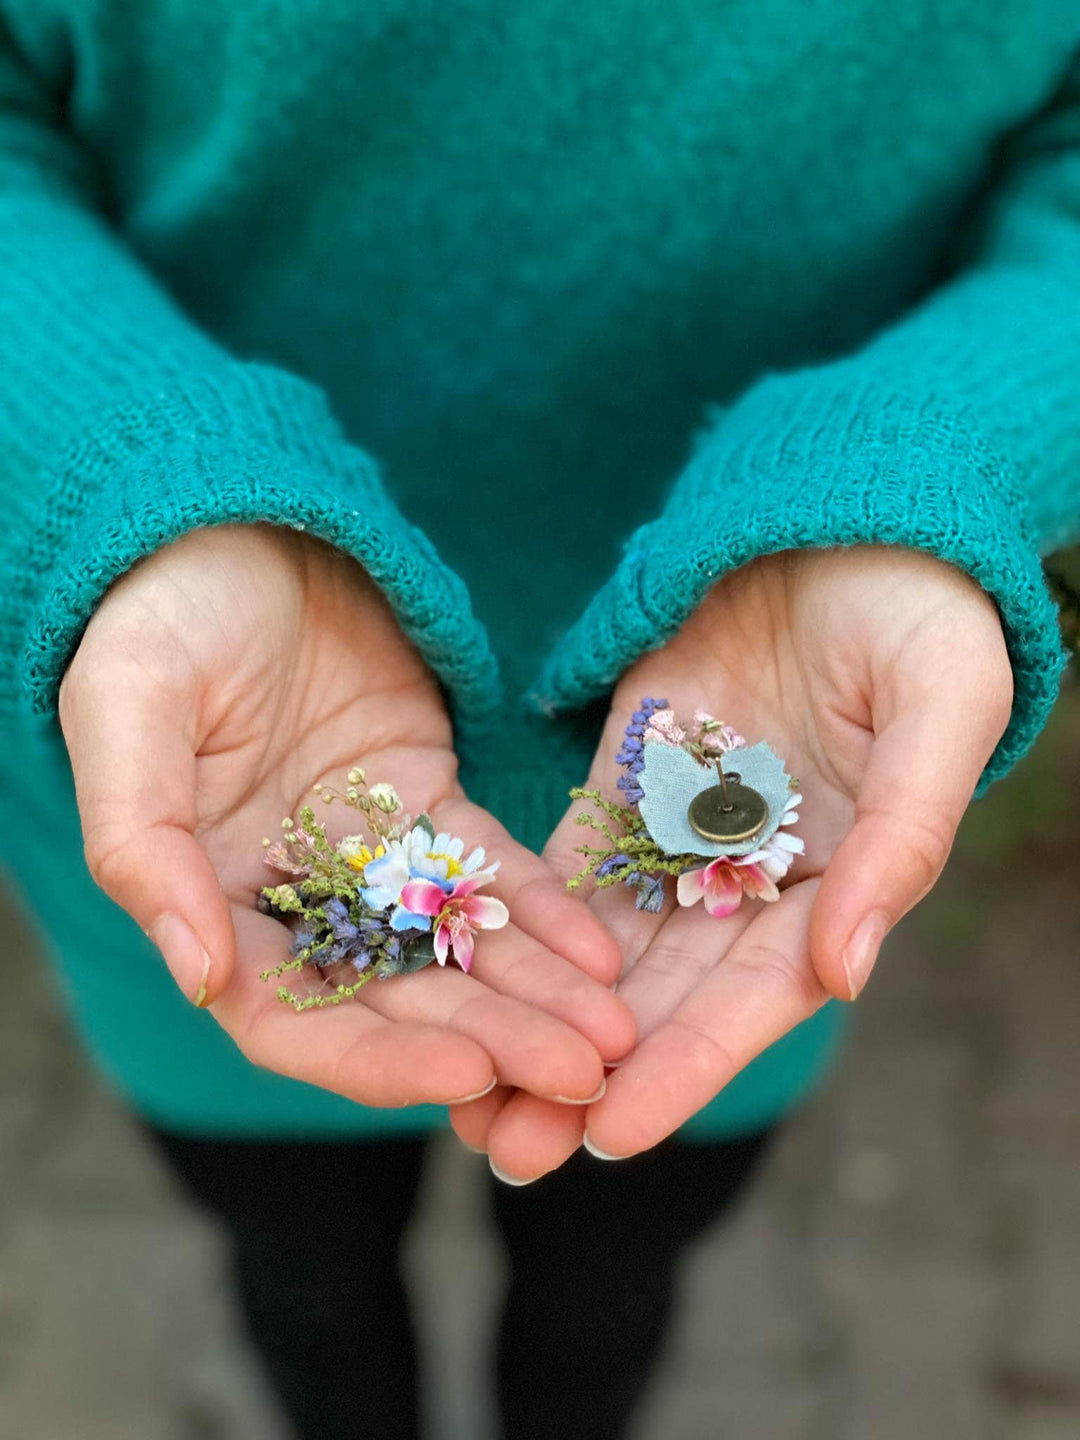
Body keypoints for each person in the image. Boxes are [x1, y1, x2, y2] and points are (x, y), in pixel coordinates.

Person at [0, 3, 1077, 1436]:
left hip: (764, 820)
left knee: (611, 1289)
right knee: (299, 1271)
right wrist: (133, 474)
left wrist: (921, 466)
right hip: (210, 773)